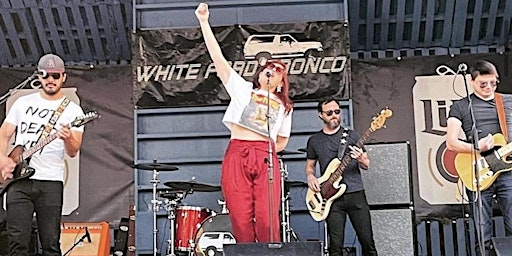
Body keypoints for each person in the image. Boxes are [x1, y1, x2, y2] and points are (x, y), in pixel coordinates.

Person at [195, 3, 293, 243]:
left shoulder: (284, 106)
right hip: (238, 152)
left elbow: (283, 139)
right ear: (259, 74)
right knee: (240, 217)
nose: (270, 71)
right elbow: (219, 61)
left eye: (277, 69)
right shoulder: (244, 90)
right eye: (267, 68)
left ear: (282, 80)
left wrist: (267, 150)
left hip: (266, 156)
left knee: (267, 218)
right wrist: (204, 23)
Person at [0, 53, 85, 255]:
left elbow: (73, 152)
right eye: (46, 75)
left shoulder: (73, 111)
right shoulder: (22, 103)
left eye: (55, 76)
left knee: (50, 243)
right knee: (17, 241)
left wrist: (67, 138)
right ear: (39, 76)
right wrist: (3, 159)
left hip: (50, 181)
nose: (50, 80)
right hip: (19, 180)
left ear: (63, 77)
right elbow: (4, 134)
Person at [446, 60, 512, 256]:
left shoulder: (507, 101)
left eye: (493, 83)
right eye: (483, 84)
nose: (489, 87)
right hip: (477, 169)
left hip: (508, 171)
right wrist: (477, 148)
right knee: (482, 230)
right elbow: (451, 142)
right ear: (471, 80)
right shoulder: (460, 106)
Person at [305, 97, 377, 256]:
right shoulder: (314, 140)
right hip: (331, 199)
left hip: (355, 193)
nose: (334, 115)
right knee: (335, 246)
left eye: (337, 112)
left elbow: (366, 165)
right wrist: (311, 177)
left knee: (367, 242)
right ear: (320, 115)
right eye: (329, 113)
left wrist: (361, 159)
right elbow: (310, 167)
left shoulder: (352, 136)